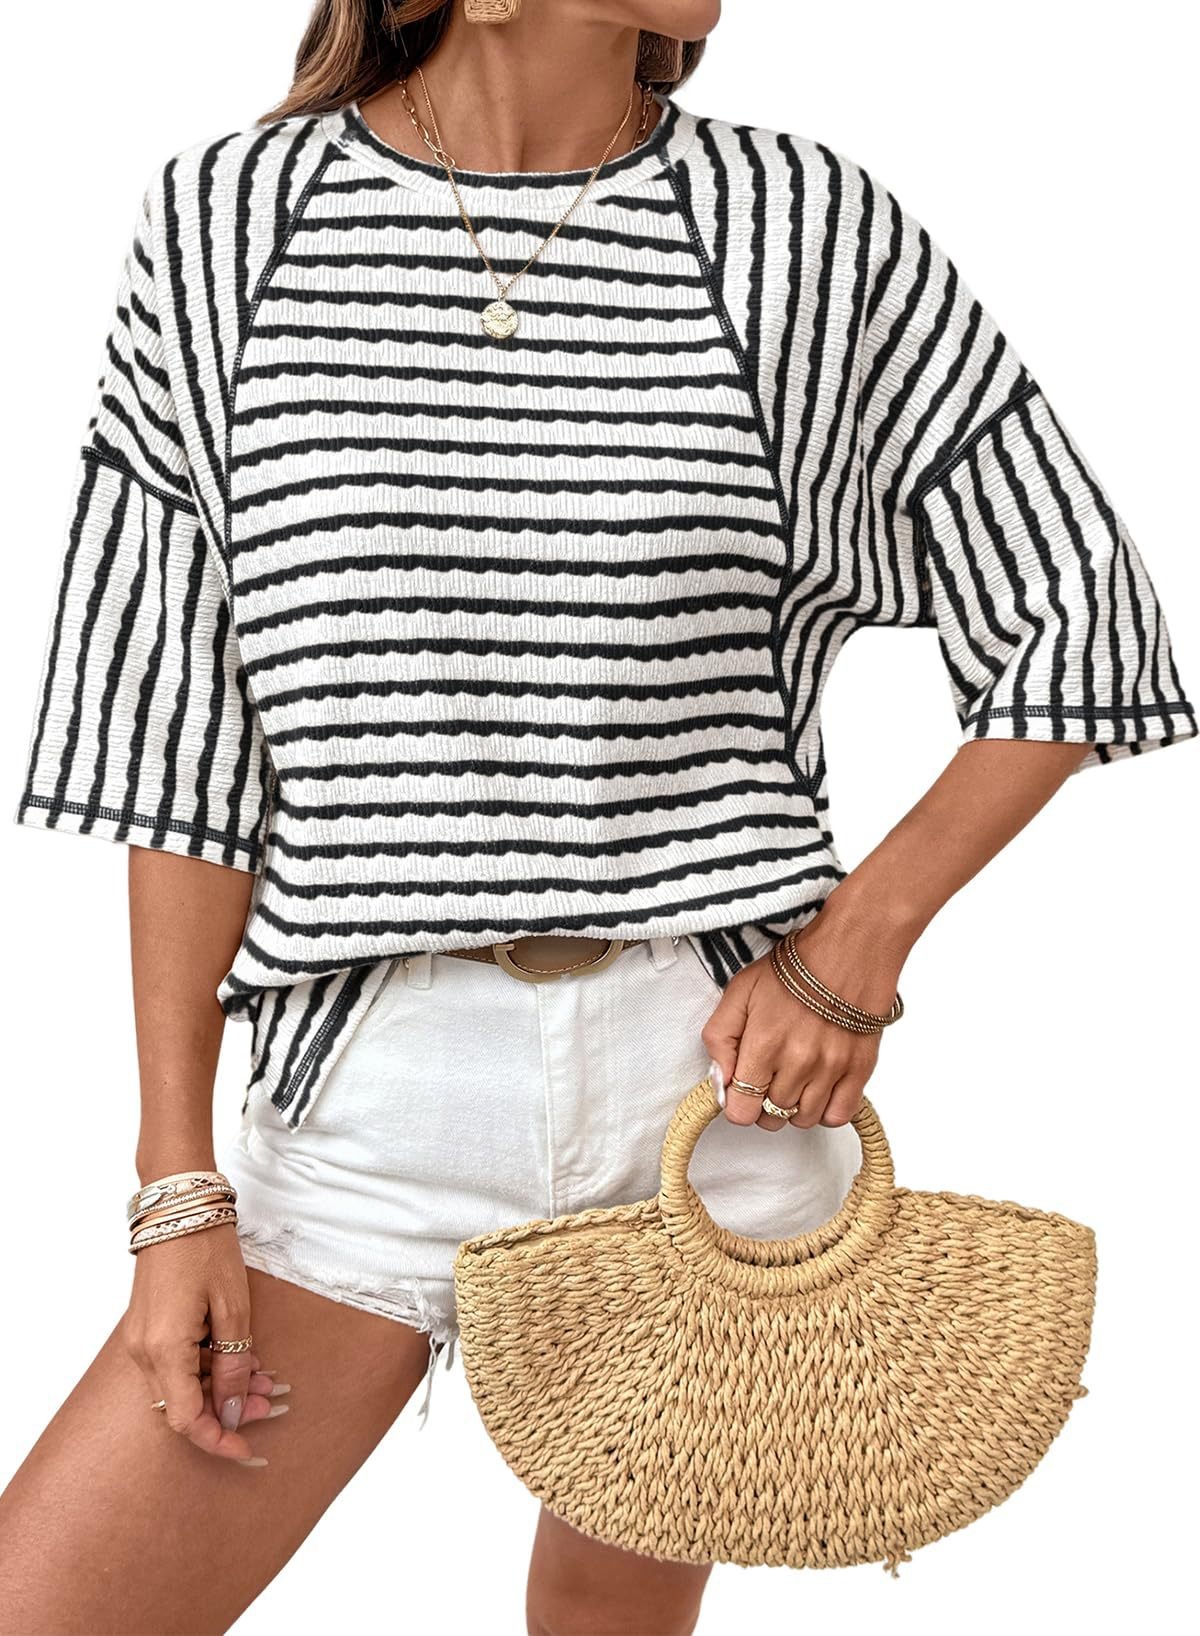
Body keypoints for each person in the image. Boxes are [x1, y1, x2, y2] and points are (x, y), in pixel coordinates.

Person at [1, 1, 1194, 1632]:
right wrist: (176, 1189)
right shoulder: (232, 222)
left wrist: (857, 943)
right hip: (367, 1104)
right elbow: (177, 735)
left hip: (703, 1104)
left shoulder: (800, 227)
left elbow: (1079, 608)